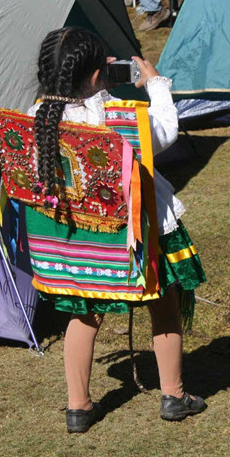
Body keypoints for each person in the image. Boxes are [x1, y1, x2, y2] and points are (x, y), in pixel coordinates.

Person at [26, 27, 207, 432]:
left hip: (83, 239)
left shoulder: (35, 121)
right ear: (95, 76)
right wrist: (155, 83)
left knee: (84, 313)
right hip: (137, 233)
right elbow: (164, 131)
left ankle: (78, 406)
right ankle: (173, 395)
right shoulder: (121, 117)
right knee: (163, 303)